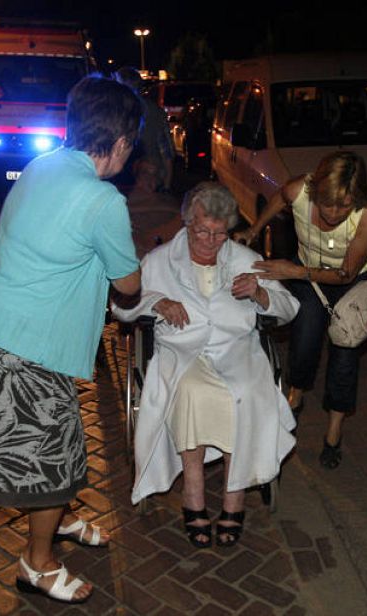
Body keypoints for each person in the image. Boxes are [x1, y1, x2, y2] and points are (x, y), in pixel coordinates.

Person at [0, 75, 143, 603]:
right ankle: (36, 564)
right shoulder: (102, 199)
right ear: (124, 141)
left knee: (58, 443)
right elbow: (127, 286)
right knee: (51, 463)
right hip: (16, 348)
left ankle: (58, 521)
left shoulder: (43, 165)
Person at [113, 182, 299, 548]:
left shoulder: (244, 259)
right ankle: (193, 496)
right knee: (192, 391)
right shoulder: (160, 259)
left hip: (236, 350)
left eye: (219, 233)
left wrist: (261, 294)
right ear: (187, 223)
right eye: (201, 231)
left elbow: (290, 308)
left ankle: (234, 499)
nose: (210, 240)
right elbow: (121, 305)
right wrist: (156, 302)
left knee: (245, 393)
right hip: (183, 352)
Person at [234, 152, 367, 469]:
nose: (335, 212)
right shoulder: (299, 189)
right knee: (306, 331)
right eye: (329, 204)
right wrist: (255, 229)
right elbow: (278, 199)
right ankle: (296, 393)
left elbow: (346, 274)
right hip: (309, 276)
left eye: (344, 205)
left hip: (348, 280)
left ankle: (333, 431)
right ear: (316, 192)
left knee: (345, 350)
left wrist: (294, 271)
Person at [115, 66, 174, 192]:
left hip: (122, 180)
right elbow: (166, 152)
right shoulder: (155, 111)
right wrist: (167, 186)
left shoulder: (112, 111)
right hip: (150, 179)